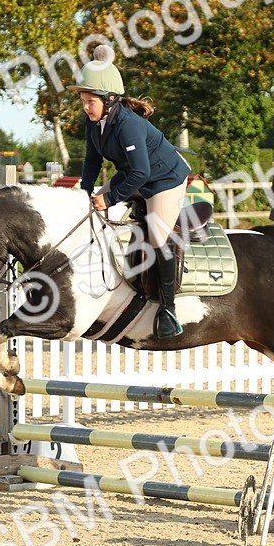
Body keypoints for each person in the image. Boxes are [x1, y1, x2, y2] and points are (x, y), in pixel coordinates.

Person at [70, 45, 191, 339]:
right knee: (91, 210)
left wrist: (109, 198)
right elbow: (92, 160)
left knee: (158, 237)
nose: (85, 107)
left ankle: (168, 310)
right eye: (84, 101)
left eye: (90, 101)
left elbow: (142, 173)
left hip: (164, 181)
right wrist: (85, 193)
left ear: (110, 100)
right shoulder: (94, 123)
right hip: (135, 175)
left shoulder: (128, 125)